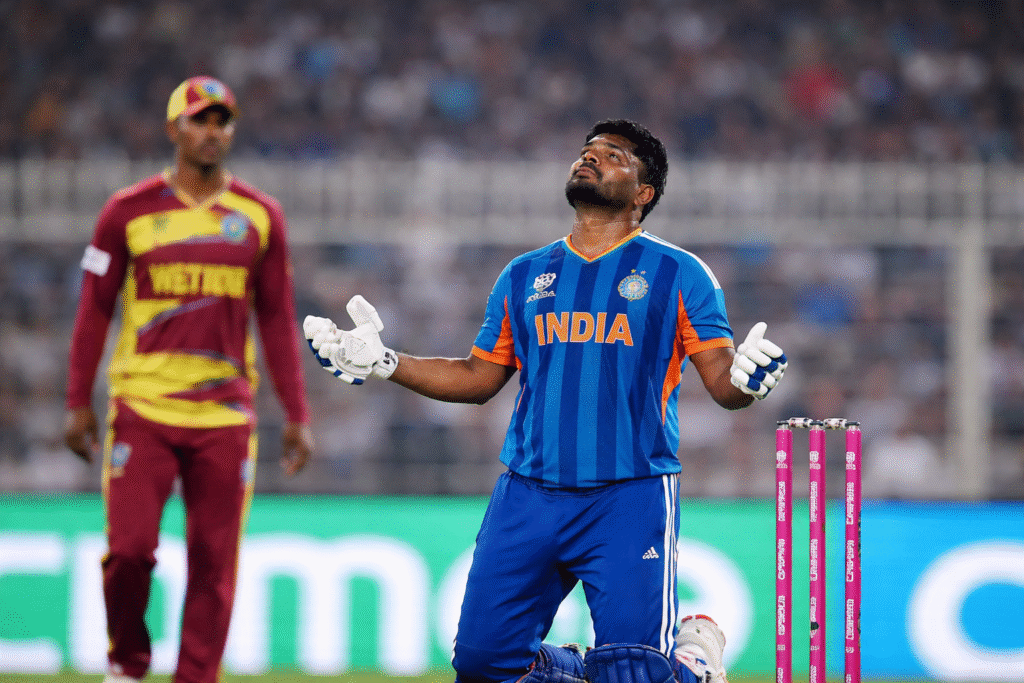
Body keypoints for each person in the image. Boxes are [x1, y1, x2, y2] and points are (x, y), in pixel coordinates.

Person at [305, 119, 786, 683]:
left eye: (612, 155)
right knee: (485, 667)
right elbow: (478, 376)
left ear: (644, 193)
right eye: (587, 150)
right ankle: (604, 669)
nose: (590, 157)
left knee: (632, 674)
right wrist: (387, 362)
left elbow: (722, 383)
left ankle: (690, 663)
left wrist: (747, 382)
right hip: (528, 495)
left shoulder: (679, 273)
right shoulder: (524, 274)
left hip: (627, 496)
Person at [63, 76, 313, 683]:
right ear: (173, 129)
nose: (213, 132)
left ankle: (196, 677)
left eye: (222, 121)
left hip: (226, 415)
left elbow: (277, 316)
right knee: (128, 554)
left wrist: (298, 415)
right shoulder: (126, 212)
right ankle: (127, 663)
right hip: (143, 407)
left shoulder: (259, 216)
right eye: (200, 120)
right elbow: (94, 307)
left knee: (213, 564)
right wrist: (77, 402)